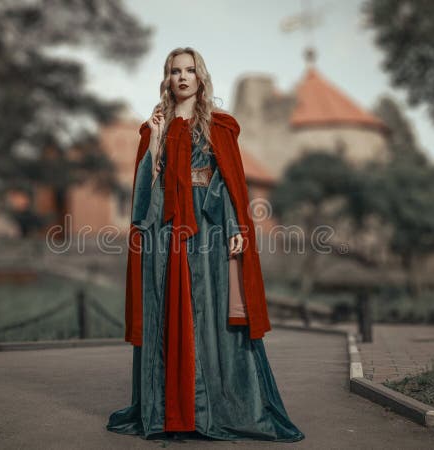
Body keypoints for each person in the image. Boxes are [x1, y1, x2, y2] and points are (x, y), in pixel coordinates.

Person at [106, 47, 304, 443]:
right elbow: (145, 194)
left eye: (189, 70)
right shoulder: (152, 127)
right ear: (167, 78)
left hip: (209, 229)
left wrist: (234, 224)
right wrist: (158, 139)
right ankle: (168, 412)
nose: (182, 77)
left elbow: (230, 182)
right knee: (167, 312)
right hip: (166, 233)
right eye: (175, 71)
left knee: (212, 315)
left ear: (200, 77)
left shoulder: (220, 125)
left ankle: (214, 406)